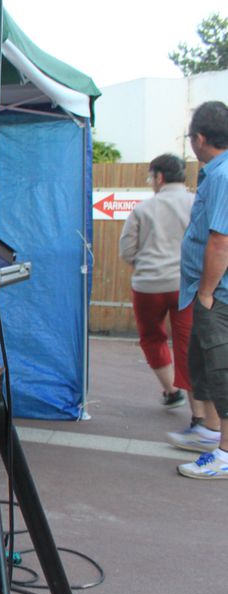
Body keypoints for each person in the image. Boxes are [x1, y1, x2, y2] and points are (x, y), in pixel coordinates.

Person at [167, 101, 228, 479]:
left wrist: (206, 292)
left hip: (216, 295)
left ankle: (223, 453)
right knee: (206, 368)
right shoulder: (215, 174)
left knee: (221, 372)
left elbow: (220, 242)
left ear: (200, 139)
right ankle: (211, 432)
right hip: (207, 293)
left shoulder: (221, 177)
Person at [118, 154, 199, 413]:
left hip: (148, 286)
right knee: (188, 343)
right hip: (185, 285)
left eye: (150, 177)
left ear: (159, 177)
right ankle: (198, 413)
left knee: (152, 338)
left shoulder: (143, 209)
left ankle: (171, 391)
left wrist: (144, 262)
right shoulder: (196, 203)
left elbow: (126, 250)